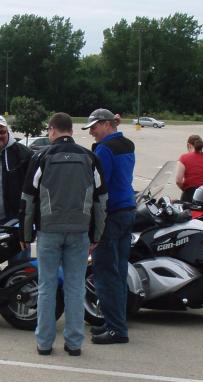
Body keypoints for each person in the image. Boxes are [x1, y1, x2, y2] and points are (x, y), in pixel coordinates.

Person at [19, 112, 107, 357]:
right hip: (80, 232)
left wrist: (25, 233)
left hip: (48, 231)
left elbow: (28, 199)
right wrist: (97, 234)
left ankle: (45, 343)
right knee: (75, 287)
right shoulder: (90, 157)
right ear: (70, 129)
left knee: (46, 287)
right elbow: (101, 201)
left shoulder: (42, 156)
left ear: (52, 130)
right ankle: (74, 343)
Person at [83, 108, 136, 345]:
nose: (92, 132)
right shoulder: (127, 144)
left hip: (111, 214)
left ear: (106, 124)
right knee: (119, 271)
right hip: (127, 210)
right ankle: (116, 322)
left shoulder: (105, 149)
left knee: (105, 273)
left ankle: (116, 329)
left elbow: (97, 185)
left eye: (94, 127)